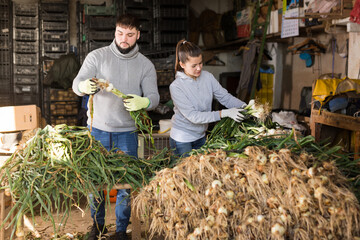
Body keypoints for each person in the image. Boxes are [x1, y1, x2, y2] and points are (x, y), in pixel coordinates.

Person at [72, 14, 159, 240]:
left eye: (130, 35)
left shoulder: (145, 65)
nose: (124, 39)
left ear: (138, 35)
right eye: (120, 33)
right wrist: (83, 86)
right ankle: (98, 226)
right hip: (97, 130)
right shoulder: (97, 57)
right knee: (95, 182)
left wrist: (145, 102)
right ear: (115, 32)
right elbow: (76, 85)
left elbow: (154, 97)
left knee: (126, 186)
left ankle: (121, 230)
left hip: (127, 133)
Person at [169, 39, 247, 157]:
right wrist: (223, 113)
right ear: (182, 64)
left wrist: (244, 106)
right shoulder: (176, 87)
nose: (199, 68)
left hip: (201, 136)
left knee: (202, 172)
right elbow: (193, 116)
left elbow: (225, 97)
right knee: (186, 173)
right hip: (182, 139)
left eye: (200, 63)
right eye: (194, 65)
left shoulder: (208, 77)